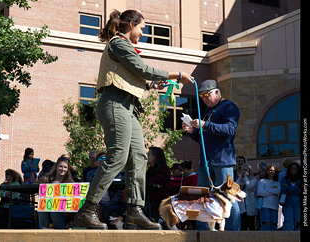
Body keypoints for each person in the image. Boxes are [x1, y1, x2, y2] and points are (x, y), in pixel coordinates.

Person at [74, 9, 193, 230]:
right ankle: (87, 210)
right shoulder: (118, 44)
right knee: (118, 155)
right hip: (114, 104)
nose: (143, 33)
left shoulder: (126, 47)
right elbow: (142, 69)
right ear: (130, 24)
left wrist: (150, 85)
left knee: (139, 157)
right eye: (141, 28)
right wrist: (176, 75)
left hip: (130, 107)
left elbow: (132, 76)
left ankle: (134, 211)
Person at [182, 79, 240, 231]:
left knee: (228, 198)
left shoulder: (229, 107)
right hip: (205, 163)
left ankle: (233, 233)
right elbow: (203, 137)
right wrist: (192, 132)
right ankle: (203, 231)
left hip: (222, 161)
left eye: (207, 94)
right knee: (203, 197)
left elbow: (230, 130)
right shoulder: (207, 112)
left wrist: (205, 124)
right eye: (202, 96)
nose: (205, 99)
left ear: (217, 92)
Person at [38, 155, 74, 229]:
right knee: (42, 209)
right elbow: (37, 187)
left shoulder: (70, 182)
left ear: (67, 169)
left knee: (55, 211)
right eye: (60, 166)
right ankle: (43, 230)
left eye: (65, 167)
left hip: (63, 211)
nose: (62, 169)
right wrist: (50, 186)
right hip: (46, 208)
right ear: (56, 167)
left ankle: (60, 231)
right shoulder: (46, 179)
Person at [146, 147, 171, 222]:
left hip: (160, 202)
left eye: (148, 154)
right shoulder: (150, 170)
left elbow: (159, 180)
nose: (147, 157)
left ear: (155, 156)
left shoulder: (164, 168)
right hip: (151, 201)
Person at [257, 165, 281, 231]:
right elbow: (260, 192)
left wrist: (267, 190)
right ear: (267, 171)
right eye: (270, 170)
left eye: (273, 170)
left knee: (274, 224)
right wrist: (273, 192)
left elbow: (278, 191)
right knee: (265, 224)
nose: (272, 172)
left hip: (274, 206)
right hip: (264, 206)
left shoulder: (277, 183)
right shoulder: (262, 181)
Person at [236, 164, 258, 230]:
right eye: (243, 170)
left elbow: (249, 186)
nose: (244, 172)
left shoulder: (254, 179)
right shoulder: (239, 180)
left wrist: (246, 179)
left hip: (250, 204)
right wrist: (242, 184)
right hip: (242, 205)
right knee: (243, 225)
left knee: (251, 224)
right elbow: (237, 189)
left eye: (246, 170)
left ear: (249, 171)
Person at [281, 162, 301, 231]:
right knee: (288, 221)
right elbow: (283, 190)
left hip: (298, 202)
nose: (293, 169)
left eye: (295, 168)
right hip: (288, 201)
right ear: (289, 169)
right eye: (292, 168)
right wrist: (296, 188)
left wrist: (289, 189)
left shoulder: (301, 179)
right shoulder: (285, 178)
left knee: (298, 221)